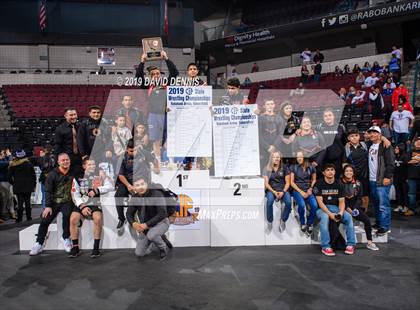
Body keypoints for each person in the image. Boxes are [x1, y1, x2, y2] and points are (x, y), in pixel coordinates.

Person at [135, 50, 179, 161]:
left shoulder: (166, 85)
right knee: (156, 141)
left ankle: (171, 161)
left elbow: (174, 73)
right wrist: (142, 62)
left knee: (169, 139)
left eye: (157, 74)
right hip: (153, 116)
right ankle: (158, 161)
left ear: (160, 75)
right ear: (150, 76)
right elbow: (138, 77)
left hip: (166, 115)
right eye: (153, 74)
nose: (155, 75)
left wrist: (166, 58)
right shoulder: (147, 87)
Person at [29, 153, 76, 256]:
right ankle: (39, 243)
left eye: (67, 160)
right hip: (54, 202)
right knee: (45, 219)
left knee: (67, 215)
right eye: (63, 160)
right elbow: (48, 191)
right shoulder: (52, 174)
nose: (65, 162)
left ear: (70, 160)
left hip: (67, 201)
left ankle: (66, 238)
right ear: (58, 162)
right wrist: (48, 206)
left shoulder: (74, 172)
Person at [69, 158, 114, 258]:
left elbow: (111, 186)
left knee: (98, 219)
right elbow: (74, 194)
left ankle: (96, 248)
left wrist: (97, 190)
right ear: (84, 166)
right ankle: (75, 247)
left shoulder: (100, 175)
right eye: (89, 165)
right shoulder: (77, 177)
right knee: (73, 219)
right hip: (82, 203)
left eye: (93, 164)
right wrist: (82, 206)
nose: (92, 166)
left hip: (94, 202)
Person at [115, 139, 159, 229]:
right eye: (131, 151)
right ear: (127, 149)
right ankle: (121, 218)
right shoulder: (122, 158)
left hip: (142, 181)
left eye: (135, 150)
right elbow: (121, 175)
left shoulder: (144, 153)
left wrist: (156, 167)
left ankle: (149, 219)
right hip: (128, 181)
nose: (134, 152)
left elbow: (154, 160)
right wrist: (128, 185)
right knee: (118, 195)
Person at [313, 163, 356, 256]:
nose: (330, 172)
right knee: (324, 218)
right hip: (323, 209)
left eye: (332, 170)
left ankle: (351, 244)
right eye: (327, 170)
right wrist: (330, 214)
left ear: (335, 171)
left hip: (336, 208)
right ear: (324, 173)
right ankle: (325, 246)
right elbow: (320, 203)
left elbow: (342, 202)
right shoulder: (319, 183)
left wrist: (340, 213)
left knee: (348, 217)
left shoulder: (339, 184)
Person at [126, 177, 170, 260]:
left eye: (142, 184)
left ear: (146, 184)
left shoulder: (156, 194)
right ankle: (161, 237)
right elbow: (129, 213)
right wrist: (133, 223)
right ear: (134, 187)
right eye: (137, 185)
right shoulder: (134, 198)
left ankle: (163, 248)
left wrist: (146, 224)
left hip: (161, 222)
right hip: (145, 226)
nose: (141, 187)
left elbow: (162, 213)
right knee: (139, 253)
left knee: (151, 235)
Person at [340, 164, 379, 251]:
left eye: (350, 171)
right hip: (342, 207)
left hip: (354, 207)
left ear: (353, 173)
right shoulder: (340, 183)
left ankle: (369, 242)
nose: (348, 173)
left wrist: (354, 209)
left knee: (367, 220)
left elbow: (359, 198)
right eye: (346, 171)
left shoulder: (358, 183)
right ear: (343, 172)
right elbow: (340, 198)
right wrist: (348, 209)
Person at [367, 126, 395, 236]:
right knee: (375, 203)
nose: (372, 135)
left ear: (380, 134)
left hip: (382, 179)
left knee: (384, 205)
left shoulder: (386, 146)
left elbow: (391, 163)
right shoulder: (369, 145)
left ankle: (385, 226)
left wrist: (387, 177)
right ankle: (379, 223)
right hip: (372, 179)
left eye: (375, 133)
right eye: (371, 133)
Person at [289, 151, 318, 235]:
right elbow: (292, 182)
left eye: (301, 157)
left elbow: (314, 179)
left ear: (304, 157)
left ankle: (310, 223)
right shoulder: (293, 167)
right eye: (297, 157)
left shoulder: (311, 167)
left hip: (308, 190)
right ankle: (302, 222)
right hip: (297, 190)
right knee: (301, 205)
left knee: (314, 205)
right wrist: (301, 192)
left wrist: (310, 188)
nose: (299, 159)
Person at [263, 151, 292, 233]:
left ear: (280, 158)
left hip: (283, 190)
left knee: (289, 203)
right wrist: (274, 192)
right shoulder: (266, 168)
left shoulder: (285, 168)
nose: (276, 159)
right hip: (271, 190)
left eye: (278, 157)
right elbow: (266, 184)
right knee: (269, 202)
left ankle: (283, 220)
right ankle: (270, 221)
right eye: (274, 157)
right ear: (271, 158)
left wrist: (283, 192)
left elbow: (288, 183)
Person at [342, 128, 370, 212]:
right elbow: (344, 163)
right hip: (353, 176)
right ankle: (354, 213)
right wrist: (348, 174)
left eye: (356, 135)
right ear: (348, 138)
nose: (354, 138)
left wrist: (384, 139)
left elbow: (379, 139)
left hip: (365, 175)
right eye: (352, 136)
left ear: (359, 136)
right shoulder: (346, 148)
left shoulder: (365, 145)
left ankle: (363, 213)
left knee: (365, 196)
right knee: (353, 196)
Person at [8, 150, 36, 222]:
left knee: (20, 203)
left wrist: (13, 183)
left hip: (18, 186)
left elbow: (9, 177)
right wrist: (33, 184)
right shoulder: (29, 164)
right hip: (28, 186)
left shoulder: (13, 165)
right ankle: (29, 218)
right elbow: (33, 175)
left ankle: (19, 219)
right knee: (27, 202)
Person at [318, 109, 347, 177]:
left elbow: (344, 144)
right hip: (324, 160)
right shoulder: (319, 128)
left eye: (330, 115)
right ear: (323, 118)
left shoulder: (340, 127)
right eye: (325, 116)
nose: (328, 117)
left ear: (333, 116)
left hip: (337, 161)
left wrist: (344, 161)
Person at [258, 99, 284, 170]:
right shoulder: (260, 118)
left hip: (276, 148)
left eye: (271, 104)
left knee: (276, 170)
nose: (270, 106)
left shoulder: (279, 118)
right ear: (264, 106)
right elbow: (259, 135)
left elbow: (281, 134)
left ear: (274, 105)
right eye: (268, 104)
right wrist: (267, 147)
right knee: (263, 169)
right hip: (263, 149)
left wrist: (274, 146)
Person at [54, 107, 82, 172]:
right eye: (71, 115)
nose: (74, 117)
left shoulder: (81, 127)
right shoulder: (60, 129)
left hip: (80, 158)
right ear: (65, 116)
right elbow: (57, 146)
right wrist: (58, 161)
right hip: (67, 159)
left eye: (75, 114)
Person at [404, 138, 420, 216]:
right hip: (412, 176)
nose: (418, 143)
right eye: (417, 141)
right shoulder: (410, 152)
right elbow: (407, 161)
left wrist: (414, 160)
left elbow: (410, 161)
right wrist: (417, 160)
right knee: (411, 194)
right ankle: (411, 209)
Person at [393, 143, 409, 213]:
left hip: (404, 178)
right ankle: (399, 206)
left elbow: (408, 168)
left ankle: (406, 206)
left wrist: (407, 177)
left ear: (401, 149)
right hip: (396, 177)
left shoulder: (405, 156)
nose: (395, 150)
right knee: (398, 192)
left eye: (397, 148)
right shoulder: (395, 156)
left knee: (404, 193)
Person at [0, 149, 15, 220]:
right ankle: (4, 213)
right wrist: (9, 155)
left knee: (10, 197)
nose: (4, 155)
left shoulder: (3, 160)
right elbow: (11, 162)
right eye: (3, 154)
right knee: (4, 198)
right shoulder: (1, 162)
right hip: (2, 183)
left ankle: (11, 212)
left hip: (7, 182)